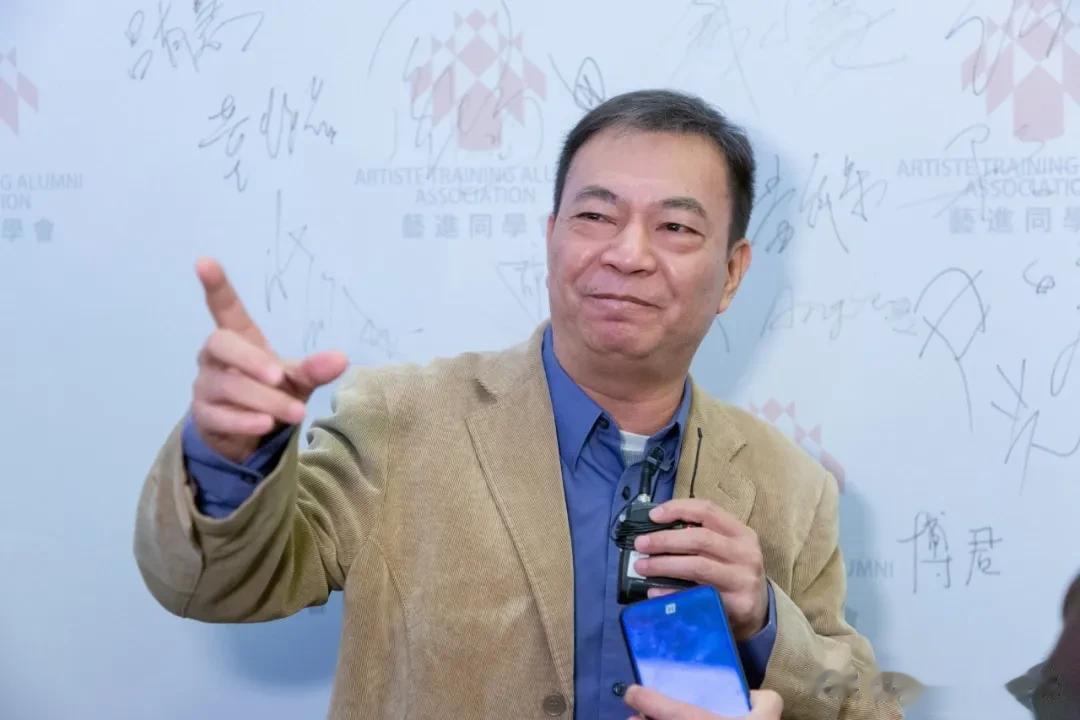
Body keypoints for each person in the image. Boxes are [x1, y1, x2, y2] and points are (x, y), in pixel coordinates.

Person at [134, 89, 901, 719]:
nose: (627, 254)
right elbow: (220, 583)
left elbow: (864, 710)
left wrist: (763, 621)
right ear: (551, 237)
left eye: (674, 226)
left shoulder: (793, 488)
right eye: (595, 216)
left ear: (732, 273)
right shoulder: (401, 419)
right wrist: (230, 459)